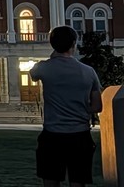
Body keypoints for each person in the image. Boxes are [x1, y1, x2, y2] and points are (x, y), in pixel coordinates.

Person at [30, 26, 103, 187]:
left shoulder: (44, 68)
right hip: (80, 135)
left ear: (52, 45)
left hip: (52, 136)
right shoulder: (88, 72)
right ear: (74, 44)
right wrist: (82, 108)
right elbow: (97, 106)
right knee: (78, 182)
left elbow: (32, 74)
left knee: (50, 181)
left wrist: (53, 54)